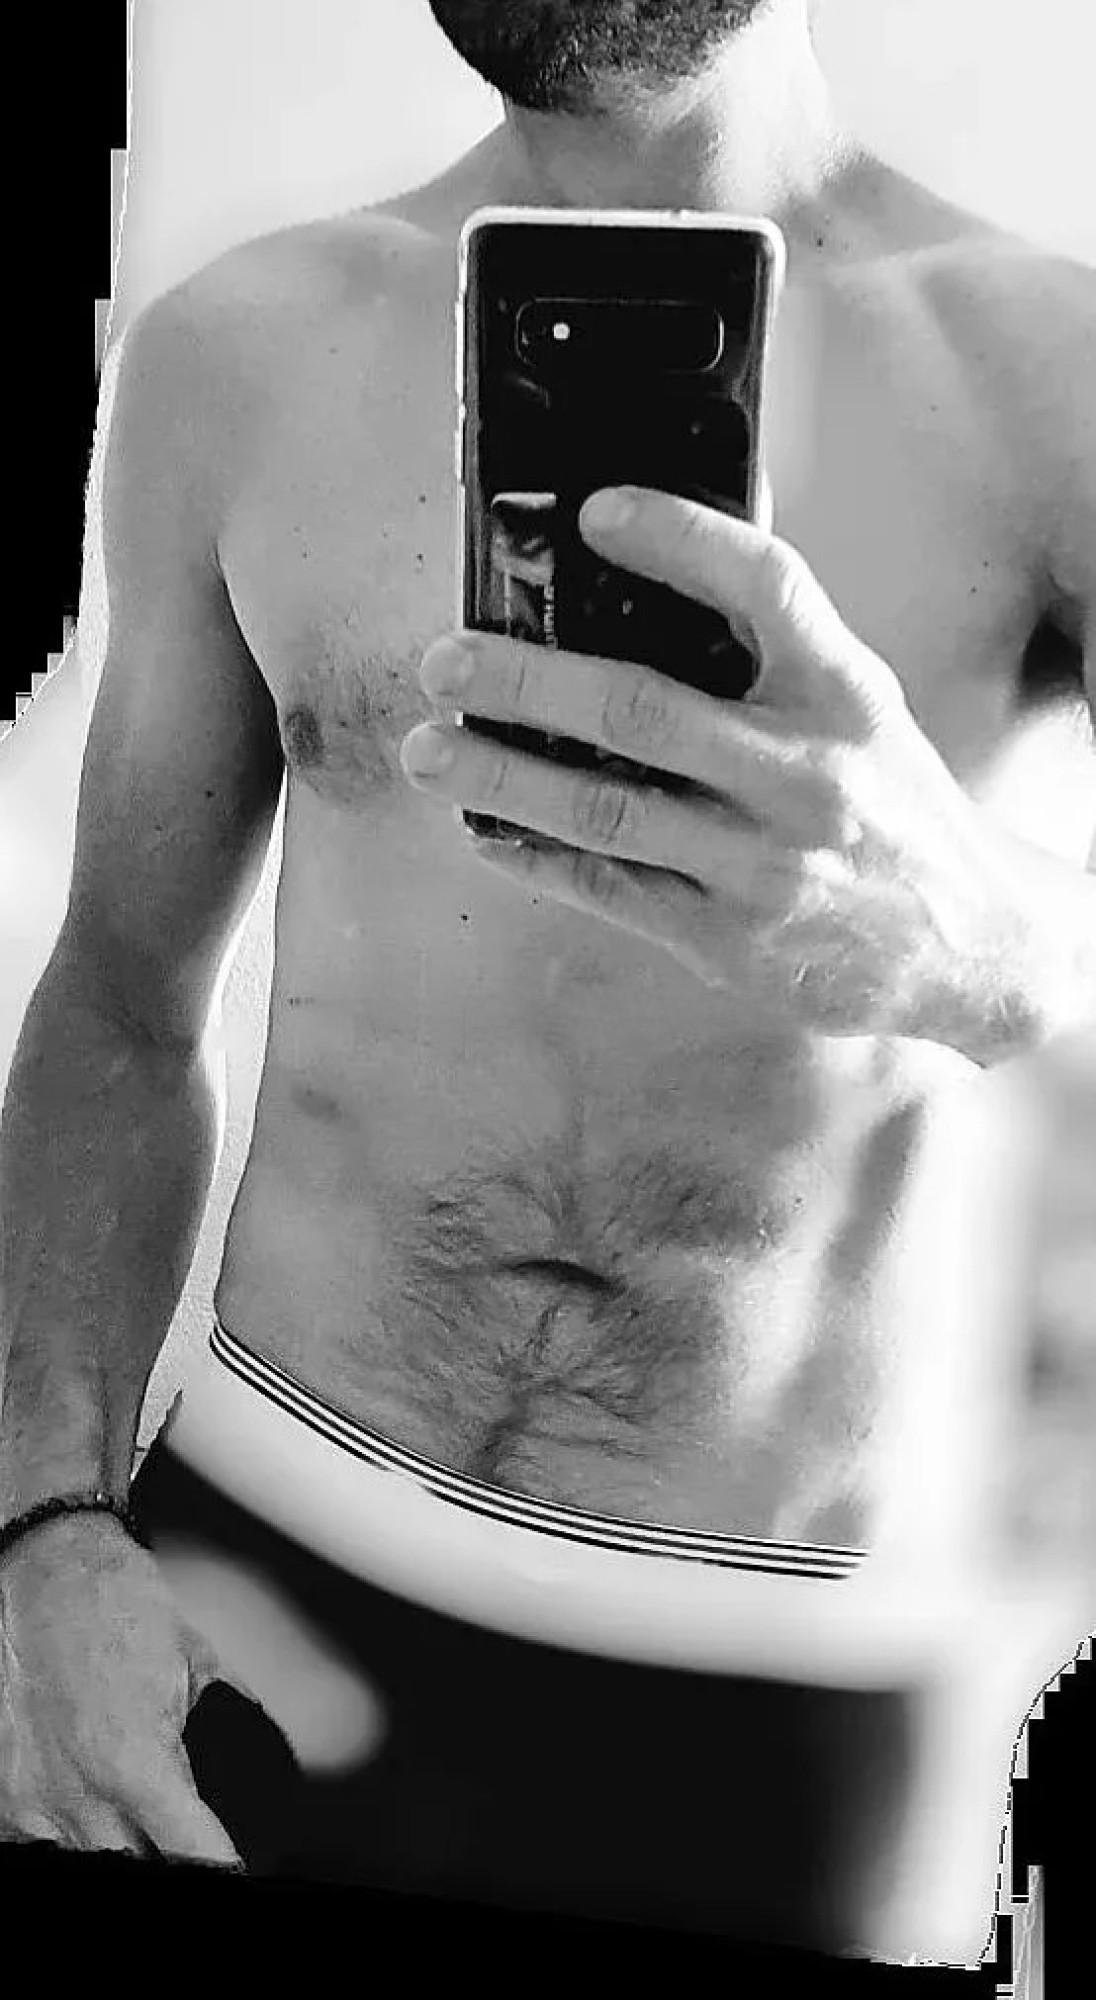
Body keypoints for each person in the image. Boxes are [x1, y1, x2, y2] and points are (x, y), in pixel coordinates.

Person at [2, 0, 1094, 1959]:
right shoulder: (239, 351)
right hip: (260, 1574)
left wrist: (983, 938)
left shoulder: (1045, 375)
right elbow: (118, 1001)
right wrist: (40, 1523)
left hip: (765, 1687)